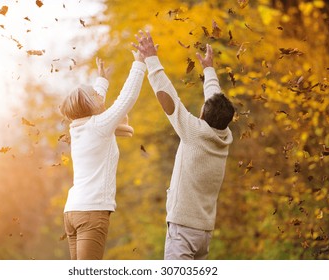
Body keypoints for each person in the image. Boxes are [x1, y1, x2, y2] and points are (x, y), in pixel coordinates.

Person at [132, 31, 235, 260]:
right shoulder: (224, 136)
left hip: (183, 232)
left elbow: (169, 96)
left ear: (202, 114)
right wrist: (208, 70)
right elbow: (216, 102)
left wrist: (151, 59)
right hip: (205, 233)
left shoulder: (194, 132)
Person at [59, 51, 146, 260]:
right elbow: (127, 98)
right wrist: (139, 64)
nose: (99, 96)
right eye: (95, 95)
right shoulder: (98, 125)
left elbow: (92, 106)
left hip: (72, 211)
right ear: (89, 105)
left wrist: (102, 82)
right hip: (91, 212)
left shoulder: (78, 127)